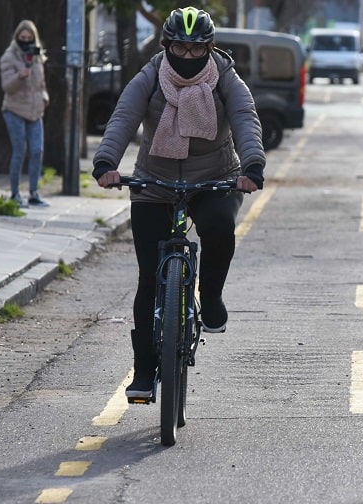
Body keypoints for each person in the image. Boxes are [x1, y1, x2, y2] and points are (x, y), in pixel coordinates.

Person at [92, 6, 266, 399]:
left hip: (214, 179)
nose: (188, 57)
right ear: (166, 45)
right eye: (180, 48)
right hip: (154, 182)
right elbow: (123, 117)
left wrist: (252, 165)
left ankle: (212, 295)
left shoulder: (225, 77)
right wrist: (106, 162)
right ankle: (142, 372)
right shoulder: (151, 76)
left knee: (220, 228)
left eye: (196, 49)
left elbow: (245, 117)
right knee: (148, 280)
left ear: (210, 48)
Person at [0, 19, 50, 207]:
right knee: (19, 151)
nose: (26, 41)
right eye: (23, 38)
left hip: (36, 111)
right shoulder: (8, 57)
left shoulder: (37, 57)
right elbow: (7, 87)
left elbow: (42, 83)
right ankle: (14, 194)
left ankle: (34, 193)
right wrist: (19, 76)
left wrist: (45, 98)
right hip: (14, 110)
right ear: (17, 37)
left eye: (30, 38)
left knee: (37, 151)